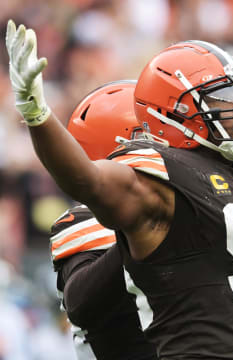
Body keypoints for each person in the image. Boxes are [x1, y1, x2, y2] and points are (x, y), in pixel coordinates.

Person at [6, 19, 233, 360]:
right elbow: (82, 305)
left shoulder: (188, 185)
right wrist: (147, 236)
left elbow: (216, 176)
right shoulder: (108, 211)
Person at [50, 80, 157, 360]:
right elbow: (81, 304)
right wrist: (140, 233)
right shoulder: (86, 219)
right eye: (154, 140)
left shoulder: (176, 202)